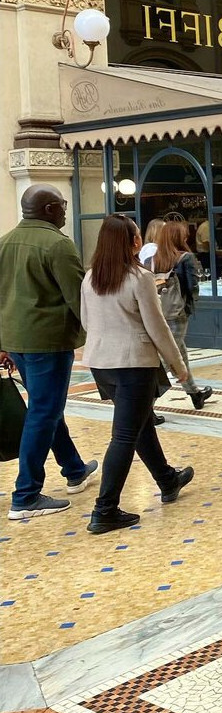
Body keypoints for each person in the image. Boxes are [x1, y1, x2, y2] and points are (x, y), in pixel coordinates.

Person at [80, 214, 195, 534]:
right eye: (138, 235)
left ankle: (167, 480)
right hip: (133, 363)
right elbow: (157, 327)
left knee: (139, 422)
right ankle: (105, 510)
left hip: (102, 363)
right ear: (133, 242)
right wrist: (178, 366)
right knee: (124, 435)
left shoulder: (90, 278)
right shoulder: (140, 278)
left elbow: (87, 322)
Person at [0, 184, 97, 520]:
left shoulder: (4, 242)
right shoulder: (58, 244)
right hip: (49, 343)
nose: (66, 211)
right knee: (43, 412)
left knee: (47, 407)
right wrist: (98, 335)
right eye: (63, 205)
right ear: (49, 209)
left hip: (17, 342)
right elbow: (79, 298)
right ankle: (25, 495)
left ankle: (74, 469)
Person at [149, 221, 213, 411]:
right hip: (177, 313)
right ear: (179, 237)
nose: (187, 237)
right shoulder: (186, 258)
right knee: (168, 357)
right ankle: (147, 406)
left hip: (159, 311)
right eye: (184, 234)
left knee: (180, 353)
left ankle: (195, 393)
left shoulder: (156, 258)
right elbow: (192, 287)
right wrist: (191, 304)